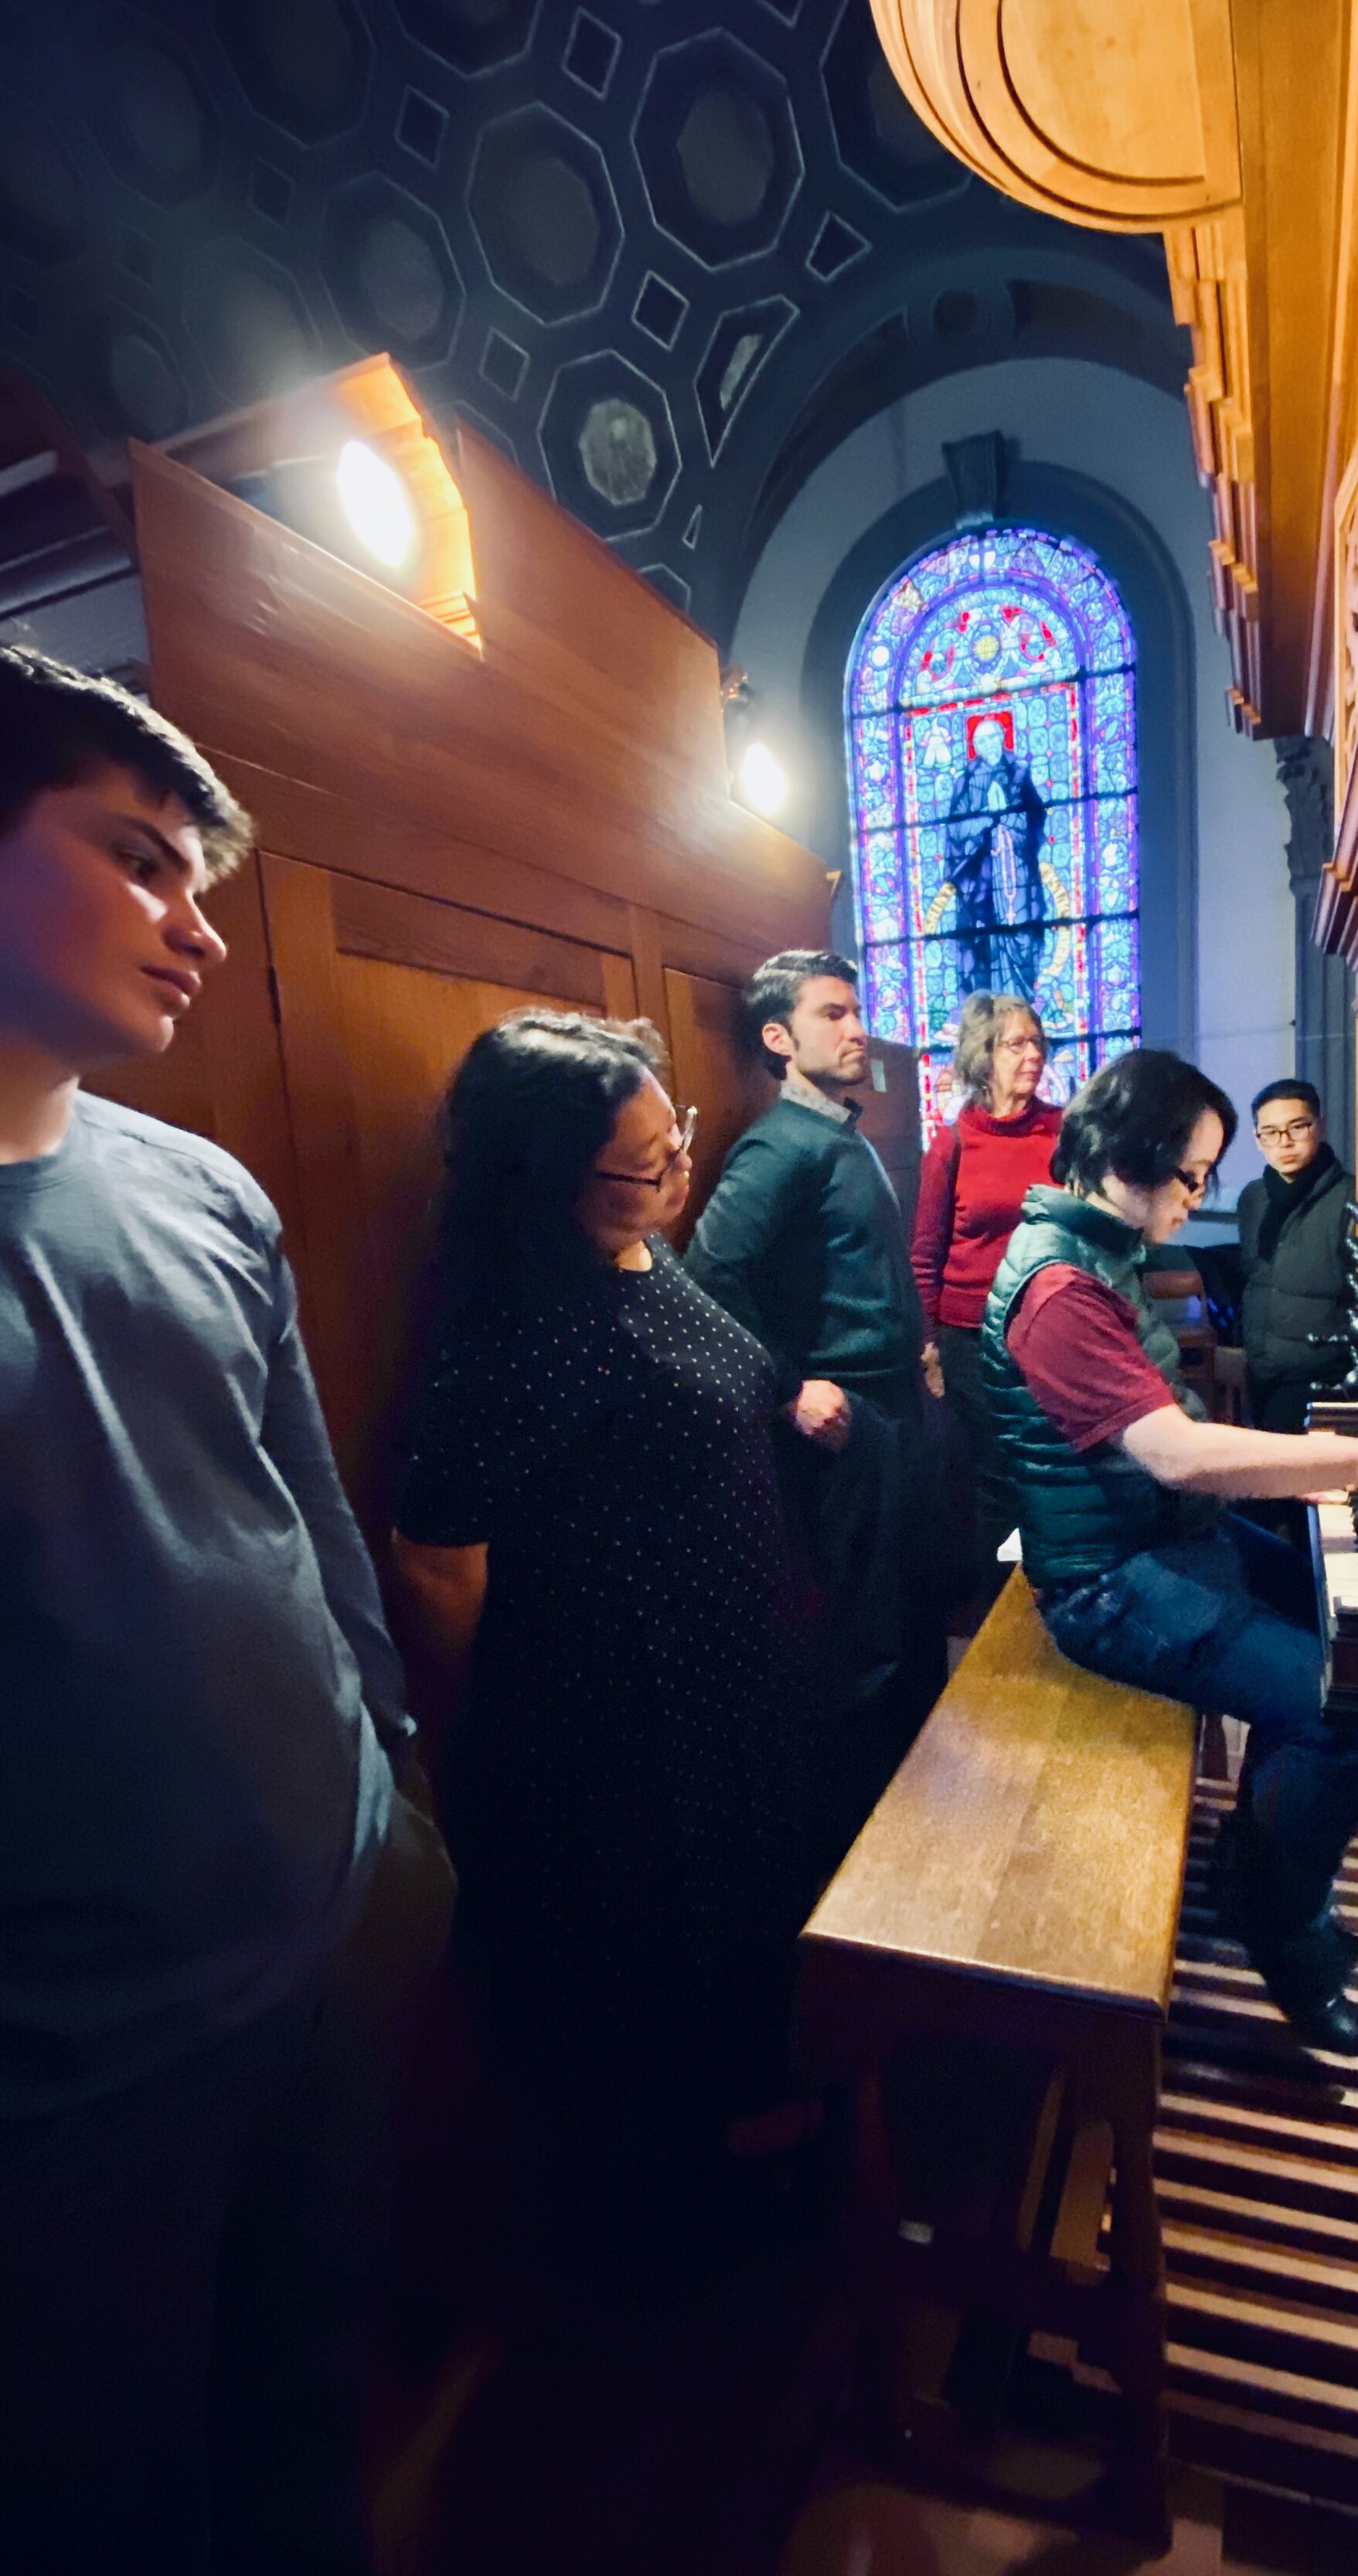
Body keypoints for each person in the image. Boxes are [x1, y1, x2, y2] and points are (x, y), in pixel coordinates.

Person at [0, 645, 437, 2574]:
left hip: (329, 1929)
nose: (196, 925)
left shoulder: (198, 1186)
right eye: (136, 859)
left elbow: (311, 1528)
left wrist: (395, 1802)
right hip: (82, 2072)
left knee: (302, 2429)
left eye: (203, 877)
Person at [392, 1012, 822, 2261]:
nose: (679, 1171)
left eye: (672, 1137)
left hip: (728, 1669)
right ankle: (694, 2223)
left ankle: (764, 2127)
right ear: (546, 1174)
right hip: (629, 1711)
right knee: (668, 1966)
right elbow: (435, 1554)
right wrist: (496, 1700)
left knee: (753, 1925)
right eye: (645, 1162)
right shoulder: (521, 1328)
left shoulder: (642, 1252)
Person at [980, 1049, 1358, 2043]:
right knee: (1352, 1717)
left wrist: (1317, 1472)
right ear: (1134, 1156)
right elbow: (1177, 1456)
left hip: (1159, 1540)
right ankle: (1285, 1932)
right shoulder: (1059, 1289)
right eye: (1193, 1173)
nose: (1200, 1196)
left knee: (1354, 1639)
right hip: (1105, 1583)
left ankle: (1257, 1855)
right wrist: (1357, 1463)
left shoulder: (1094, 1249)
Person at [686, 950, 945, 1857]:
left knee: (910, 1616)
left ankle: (918, 1821)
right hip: (847, 1427)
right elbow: (708, 1280)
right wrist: (789, 1388)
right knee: (863, 1638)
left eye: (853, 1011)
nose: (855, 1028)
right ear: (776, 1037)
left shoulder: (838, 1133)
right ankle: (868, 1856)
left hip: (893, 1405)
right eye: (830, 1013)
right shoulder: (777, 1145)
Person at [911, 991, 1061, 1609]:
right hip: (971, 1336)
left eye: (1036, 1041)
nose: (1032, 1054)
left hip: (1049, 1327)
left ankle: (1059, 1595)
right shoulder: (954, 1144)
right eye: (1014, 1043)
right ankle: (1003, 1615)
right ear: (983, 1056)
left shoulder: (1064, 1131)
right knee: (996, 1476)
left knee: (1050, 1465)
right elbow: (926, 1252)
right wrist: (929, 1347)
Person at [1235, 1077, 1353, 1429]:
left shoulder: (1353, 1197)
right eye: (1269, 1132)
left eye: (1296, 1128)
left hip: (1321, 1373)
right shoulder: (1253, 1197)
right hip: (1261, 1366)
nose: (1283, 1142)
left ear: (1320, 1125)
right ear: (1258, 1140)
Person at [942, 714, 1050, 997]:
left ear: (1003, 738)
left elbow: (1036, 818)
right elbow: (956, 829)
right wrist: (986, 820)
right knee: (984, 937)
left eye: (993, 737)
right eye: (981, 740)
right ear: (974, 745)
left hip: (1018, 867)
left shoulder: (1019, 772)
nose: (988, 744)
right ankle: (990, 1003)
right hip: (983, 873)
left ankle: (1022, 997)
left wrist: (1011, 821)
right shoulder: (964, 782)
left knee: (1023, 929)